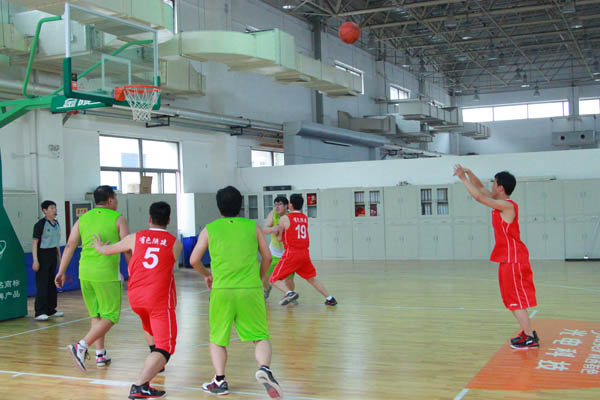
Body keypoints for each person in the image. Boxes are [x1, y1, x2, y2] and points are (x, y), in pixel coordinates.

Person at [190, 186, 283, 398]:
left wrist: (207, 274)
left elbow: (194, 259)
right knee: (260, 336)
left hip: (222, 290)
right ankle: (264, 368)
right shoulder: (252, 227)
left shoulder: (210, 229)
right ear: (240, 205)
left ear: (218, 206)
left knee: (217, 338)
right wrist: (260, 277)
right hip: (250, 289)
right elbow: (267, 257)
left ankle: (220, 380)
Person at [91, 201, 182, 399]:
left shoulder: (135, 238)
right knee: (165, 348)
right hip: (158, 298)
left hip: (136, 297)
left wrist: (99, 246)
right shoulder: (175, 243)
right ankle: (140, 385)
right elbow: (167, 263)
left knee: (149, 328)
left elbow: (107, 250)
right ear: (168, 220)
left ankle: (152, 368)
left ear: (149, 219)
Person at [453, 165, 539, 349]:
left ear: (500, 188)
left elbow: (478, 197)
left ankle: (530, 337)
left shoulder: (507, 206)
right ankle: (528, 333)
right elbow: (480, 189)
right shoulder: (498, 201)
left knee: (516, 300)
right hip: (506, 258)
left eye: (494, 183)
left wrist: (462, 178)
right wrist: (469, 173)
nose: (491, 185)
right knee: (510, 299)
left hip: (514, 258)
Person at [55, 185, 131, 371]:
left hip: (85, 273)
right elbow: (128, 247)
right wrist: (134, 271)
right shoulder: (118, 218)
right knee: (110, 316)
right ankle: (81, 346)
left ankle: (100, 354)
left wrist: (61, 271)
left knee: (96, 314)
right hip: (106, 274)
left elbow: (70, 245)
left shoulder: (83, 219)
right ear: (110, 200)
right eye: (116, 198)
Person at [270, 193, 337, 307]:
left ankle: (289, 293)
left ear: (290, 205)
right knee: (311, 279)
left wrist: (276, 232)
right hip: (304, 253)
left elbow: (280, 239)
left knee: (273, 279)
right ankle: (330, 298)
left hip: (292, 253)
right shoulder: (304, 217)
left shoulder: (284, 218)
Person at [32, 200, 64, 321]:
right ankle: (40, 311)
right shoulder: (40, 225)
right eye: (51, 208)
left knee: (52, 282)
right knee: (42, 283)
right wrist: (35, 260)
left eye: (55, 208)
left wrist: (60, 259)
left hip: (52, 254)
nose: (54, 210)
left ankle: (51, 309)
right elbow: (35, 243)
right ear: (44, 210)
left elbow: (57, 243)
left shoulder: (56, 223)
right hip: (42, 255)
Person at [262, 196, 295, 299]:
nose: (277, 207)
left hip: (287, 254)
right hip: (274, 253)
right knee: (265, 276)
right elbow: (264, 230)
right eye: (275, 204)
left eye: (279, 204)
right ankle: (267, 289)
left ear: (286, 206)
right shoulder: (273, 214)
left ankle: (291, 295)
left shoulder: (290, 216)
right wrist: (273, 229)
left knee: (289, 279)